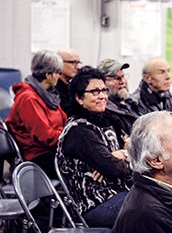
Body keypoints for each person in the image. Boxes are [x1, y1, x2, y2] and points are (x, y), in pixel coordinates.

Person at [57, 66, 132, 228]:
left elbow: (134, 149)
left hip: (117, 193)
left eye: (104, 90)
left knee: (160, 201)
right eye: (95, 92)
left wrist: (122, 154)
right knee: (149, 210)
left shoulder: (107, 120)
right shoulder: (79, 131)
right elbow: (114, 168)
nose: (103, 96)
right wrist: (120, 158)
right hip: (94, 204)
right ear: (79, 98)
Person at [6, 50, 67, 178]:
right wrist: (69, 136)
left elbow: (65, 123)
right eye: (58, 73)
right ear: (48, 75)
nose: (59, 77)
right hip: (37, 156)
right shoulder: (28, 98)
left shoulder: (49, 95)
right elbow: (45, 136)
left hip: (53, 150)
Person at [97, 59, 140, 148]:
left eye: (123, 76)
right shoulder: (105, 114)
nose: (122, 82)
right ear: (101, 83)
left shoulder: (131, 103)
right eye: (116, 78)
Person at [56, 48, 81, 116]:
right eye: (73, 63)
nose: (78, 67)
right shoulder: (53, 89)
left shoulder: (73, 87)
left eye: (78, 63)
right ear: (59, 63)